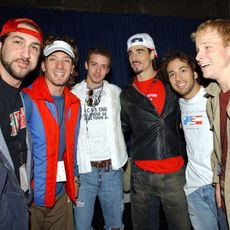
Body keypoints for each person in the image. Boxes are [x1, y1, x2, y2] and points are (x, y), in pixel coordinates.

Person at [120, 33, 191, 230]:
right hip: (141, 176)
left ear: (153, 54)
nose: (134, 57)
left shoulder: (172, 83)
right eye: (131, 53)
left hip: (174, 175)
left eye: (140, 51)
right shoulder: (127, 93)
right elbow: (122, 128)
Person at [22, 35, 81, 230]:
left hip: (61, 196)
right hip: (31, 201)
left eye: (66, 61)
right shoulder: (26, 100)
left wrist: (74, 177)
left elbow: (71, 147)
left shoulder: (74, 104)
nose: (60, 66)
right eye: (53, 59)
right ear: (43, 65)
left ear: (72, 68)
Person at [161, 51, 219, 230]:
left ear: (195, 73)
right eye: (172, 74)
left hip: (218, 186)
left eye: (182, 70)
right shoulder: (176, 105)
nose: (178, 77)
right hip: (194, 189)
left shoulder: (213, 97)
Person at [71, 47, 127, 230]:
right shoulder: (72, 94)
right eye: (94, 64)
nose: (98, 71)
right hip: (84, 173)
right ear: (86, 65)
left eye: (103, 67)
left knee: (115, 226)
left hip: (112, 171)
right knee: (81, 227)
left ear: (108, 70)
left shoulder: (116, 93)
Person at [0, 18, 43, 230]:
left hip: (19, 203)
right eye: (18, 42)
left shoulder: (23, 100)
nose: (26, 54)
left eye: (34, 47)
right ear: (0, 45)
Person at [192, 19, 230, 230]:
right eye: (198, 49)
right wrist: (218, 183)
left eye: (207, 47)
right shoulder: (213, 98)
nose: (198, 56)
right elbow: (220, 152)